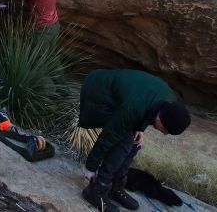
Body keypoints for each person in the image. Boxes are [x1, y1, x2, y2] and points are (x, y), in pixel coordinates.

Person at [77, 69, 191, 212]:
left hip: (122, 97)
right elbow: (108, 136)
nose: (164, 134)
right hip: (98, 93)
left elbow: (150, 105)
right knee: (124, 143)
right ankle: (97, 189)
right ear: (160, 119)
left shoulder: (168, 102)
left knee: (135, 143)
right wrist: (90, 167)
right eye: (165, 130)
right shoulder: (133, 108)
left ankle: (116, 186)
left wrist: (140, 128)